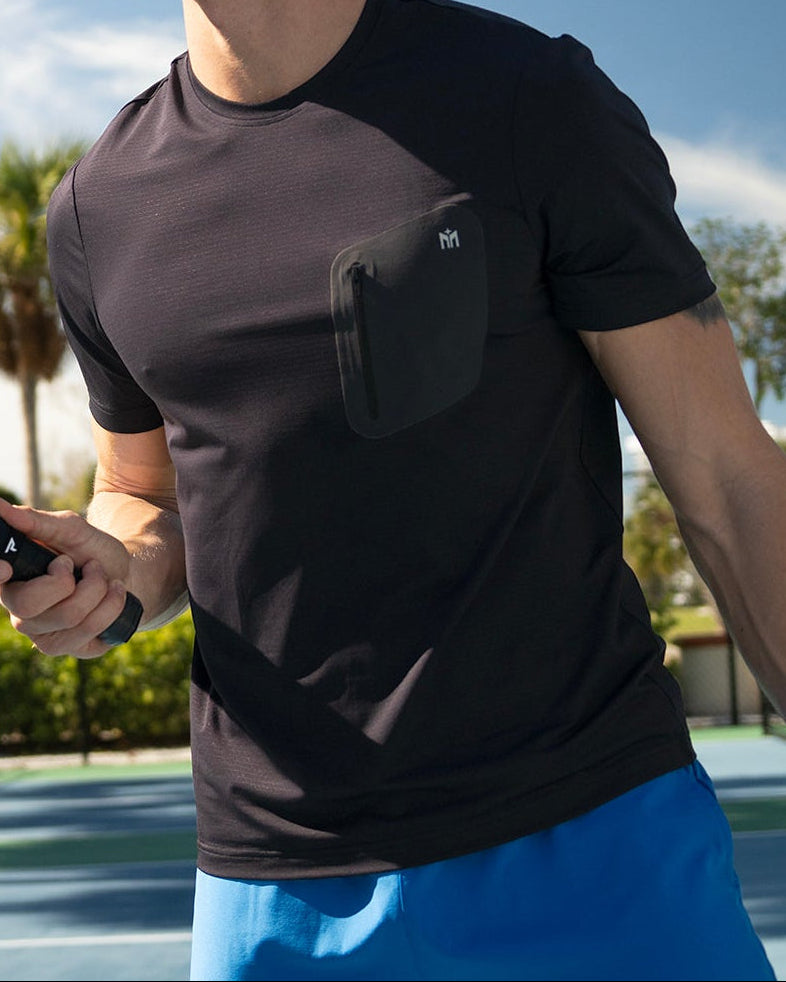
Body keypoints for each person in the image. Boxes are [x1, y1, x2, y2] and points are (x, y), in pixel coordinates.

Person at [1, 0, 785, 978]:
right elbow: (144, 491)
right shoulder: (97, 208)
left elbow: (725, 474)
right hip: (273, 893)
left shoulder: (528, 99)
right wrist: (115, 569)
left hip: (593, 839)